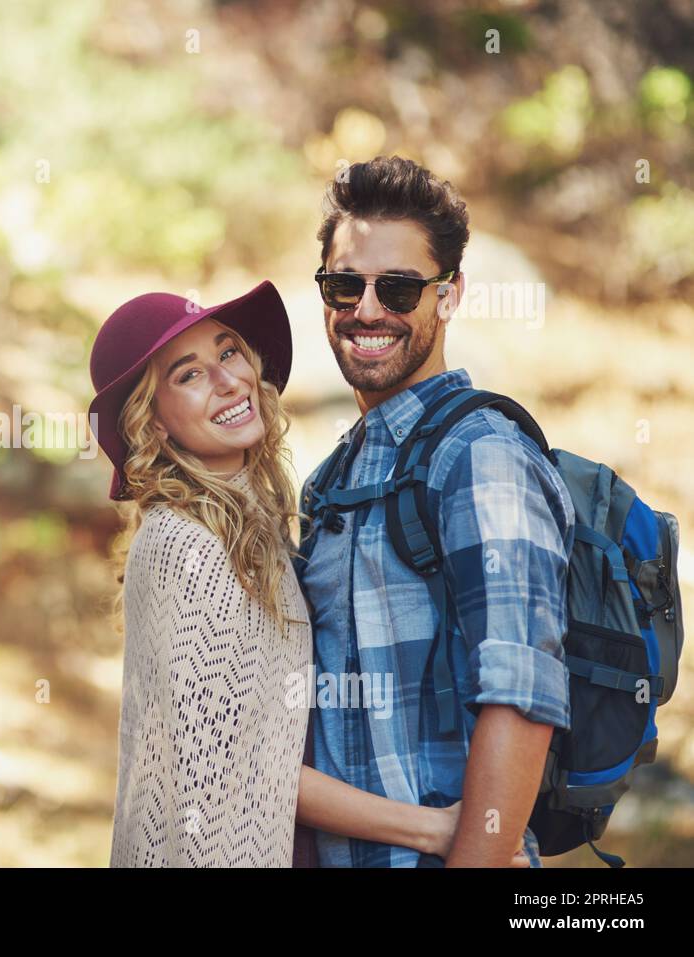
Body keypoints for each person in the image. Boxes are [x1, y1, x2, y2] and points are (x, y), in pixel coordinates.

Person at [88, 282, 529, 867]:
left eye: (227, 353)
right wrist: (435, 830)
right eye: (188, 375)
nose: (227, 381)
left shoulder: (256, 525)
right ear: (155, 422)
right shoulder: (182, 545)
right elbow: (244, 767)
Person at [299, 155, 575, 867]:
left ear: (448, 296)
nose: (366, 311)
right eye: (343, 285)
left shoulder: (480, 455)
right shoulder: (334, 477)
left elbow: (520, 693)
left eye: (398, 288)